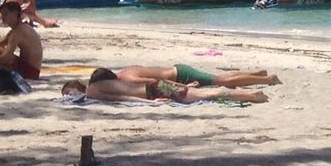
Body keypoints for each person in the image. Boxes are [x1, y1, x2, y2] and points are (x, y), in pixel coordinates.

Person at [64, 67, 267, 104]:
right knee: (197, 93)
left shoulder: (92, 92)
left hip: (155, 90)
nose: (68, 97)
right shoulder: (102, 84)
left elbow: (121, 98)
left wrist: (150, 104)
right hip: (156, 87)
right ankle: (250, 91)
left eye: (68, 93)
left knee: (203, 96)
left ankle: (251, 94)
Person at [100, 63, 280, 89]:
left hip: (181, 75)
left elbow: (159, 82)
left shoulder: (127, 79)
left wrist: (185, 87)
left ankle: (266, 80)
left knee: (221, 82)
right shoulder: (125, 70)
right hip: (178, 70)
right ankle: (257, 74)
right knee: (217, 77)